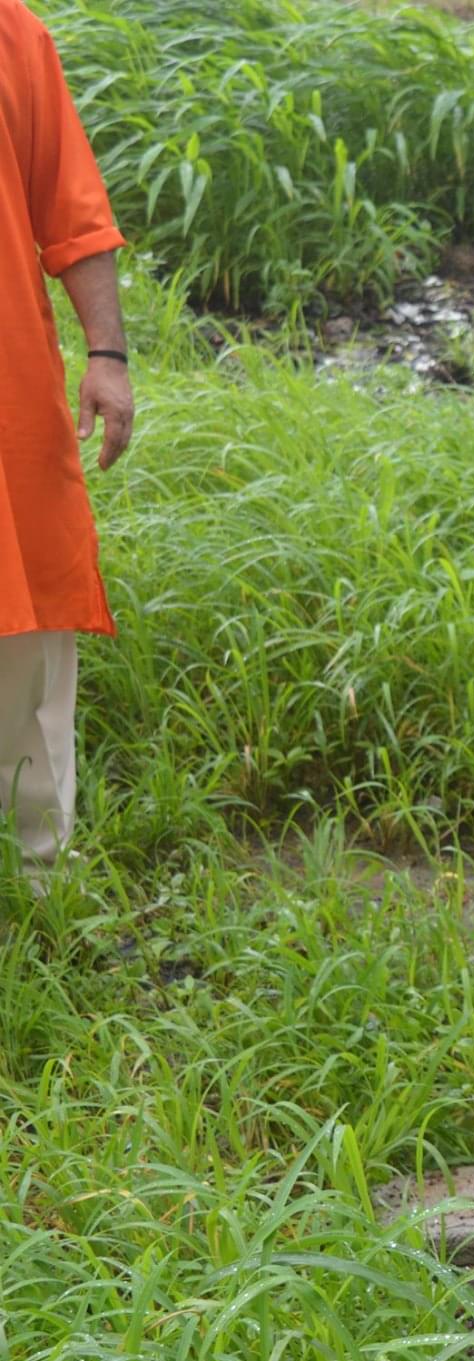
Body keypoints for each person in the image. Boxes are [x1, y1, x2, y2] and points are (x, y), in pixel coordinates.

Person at [1, 0, 135, 870]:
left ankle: (40, 876)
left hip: (7, 393)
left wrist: (107, 352)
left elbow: (74, 213)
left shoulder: (12, 33)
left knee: (27, 639)